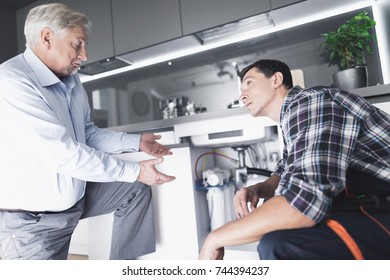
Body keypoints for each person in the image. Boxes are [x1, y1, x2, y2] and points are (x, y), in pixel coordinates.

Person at [0, 3, 175, 260]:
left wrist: (136, 142)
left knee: (134, 189)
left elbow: (87, 134)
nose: (84, 55)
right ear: (47, 38)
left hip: (73, 205)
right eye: (77, 44)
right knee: (134, 179)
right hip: (33, 225)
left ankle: (123, 268)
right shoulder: (12, 82)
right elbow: (65, 155)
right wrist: (136, 170)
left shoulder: (71, 80)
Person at [198, 59, 390, 260]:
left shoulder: (311, 102)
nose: (242, 94)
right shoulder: (293, 115)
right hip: (369, 203)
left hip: (382, 206)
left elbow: (304, 205)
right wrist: (259, 189)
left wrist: (215, 238)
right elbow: (285, 170)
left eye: (249, 83)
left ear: (276, 79)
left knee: (280, 246)